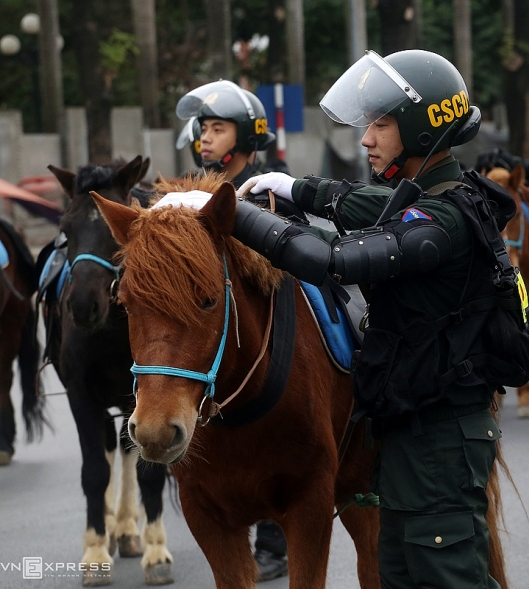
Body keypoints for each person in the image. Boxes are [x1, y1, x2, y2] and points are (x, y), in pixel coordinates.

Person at [233, 49, 529, 589]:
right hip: (407, 432)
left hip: (439, 441)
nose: (366, 138)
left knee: (447, 577)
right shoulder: (434, 195)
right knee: (398, 574)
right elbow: (366, 204)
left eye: (382, 123)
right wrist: (293, 188)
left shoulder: (443, 218)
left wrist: (231, 214)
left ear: (420, 129)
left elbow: (332, 260)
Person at [175, 80, 291, 583]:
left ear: (245, 136)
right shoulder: (188, 193)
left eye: (218, 128)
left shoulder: (271, 190)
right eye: (203, 127)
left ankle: (274, 539)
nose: (205, 137)